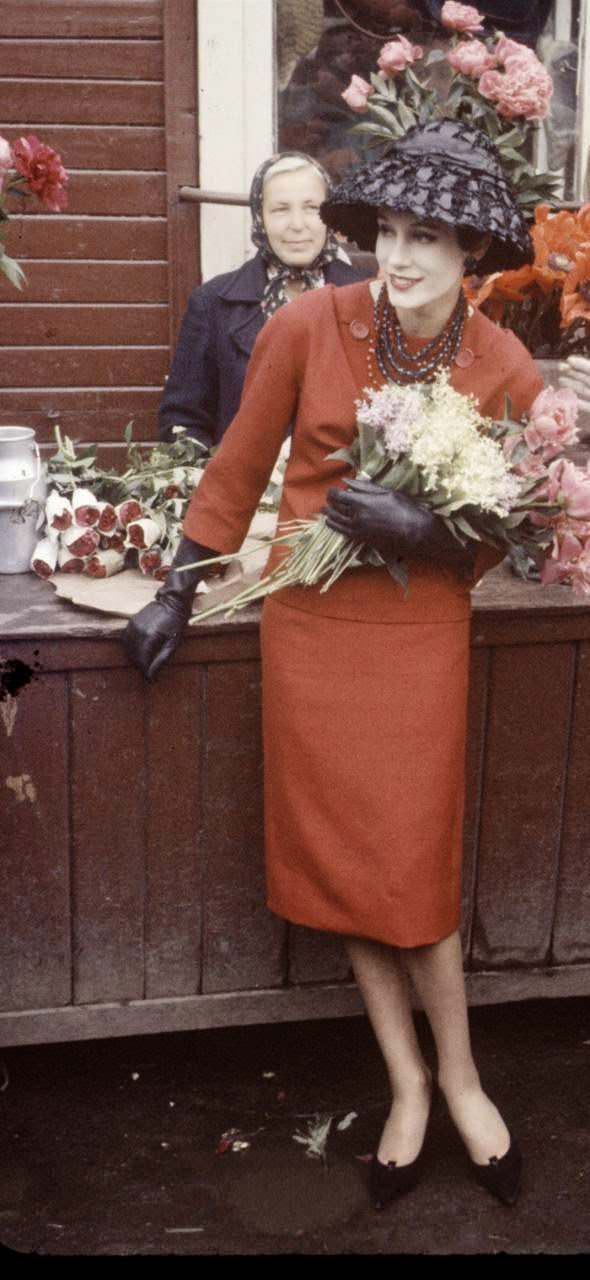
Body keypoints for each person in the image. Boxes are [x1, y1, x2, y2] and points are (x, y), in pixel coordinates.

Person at [123, 119, 544, 1209]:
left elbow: (520, 524)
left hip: (416, 634)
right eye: (387, 232)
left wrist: (427, 532)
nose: (398, 258)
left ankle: (460, 1078)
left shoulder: (499, 364)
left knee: (409, 861)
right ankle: (408, 1082)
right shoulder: (310, 322)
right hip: (308, 623)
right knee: (350, 865)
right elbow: (238, 460)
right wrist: (179, 581)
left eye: (429, 241)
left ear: (475, 260)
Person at [158, 150, 372, 448]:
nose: (297, 224)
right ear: (260, 216)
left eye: (312, 208)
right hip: (248, 490)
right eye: (280, 209)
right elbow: (183, 422)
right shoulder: (213, 304)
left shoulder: (369, 296)